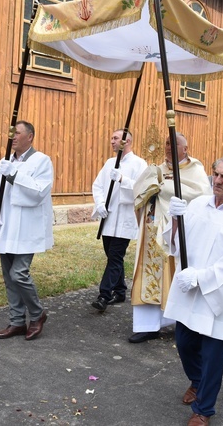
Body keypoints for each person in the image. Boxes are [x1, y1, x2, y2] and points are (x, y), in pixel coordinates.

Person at [162, 157, 223, 426]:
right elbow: (177, 243)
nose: (217, 180)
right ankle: (197, 380)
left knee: (213, 354)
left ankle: (204, 409)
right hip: (190, 289)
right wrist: (175, 219)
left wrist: (201, 277)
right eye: (216, 174)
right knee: (184, 343)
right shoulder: (197, 205)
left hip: (220, 294)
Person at [129, 134, 212, 343]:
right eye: (166, 143)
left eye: (174, 144)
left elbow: (200, 195)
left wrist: (163, 189)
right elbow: (138, 191)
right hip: (151, 227)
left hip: (175, 232)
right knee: (148, 275)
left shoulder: (195, 171)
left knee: (173, 273)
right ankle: (147, 326)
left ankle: (177, 319)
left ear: (186, 148)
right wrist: (149, 188)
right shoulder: (157, 170)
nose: (169, 147)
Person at [0, 121, 52, 341]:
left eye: (18, 133)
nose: (12, 137)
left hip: (26, 228)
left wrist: (14, 175)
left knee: (19, 273)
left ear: (30, 136)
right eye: (11, 133)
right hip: (6, 226)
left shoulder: (41, 161)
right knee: (9, 277)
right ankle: (16, 322)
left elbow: (39, 192)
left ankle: (36, 314)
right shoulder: (4, 162)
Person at [91, 130, 148, 312]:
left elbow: (143, 188)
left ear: (127, 141)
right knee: (112, 256)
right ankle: (121, 290)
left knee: (115, 257)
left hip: (125, 218)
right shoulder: (109, 163)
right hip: (109, 217)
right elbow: (98, 185)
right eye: (112, 138)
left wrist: (123, 179)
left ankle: (104, 295)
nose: (112, 141)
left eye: (115, 138)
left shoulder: (139, 164)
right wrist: (100, 203)